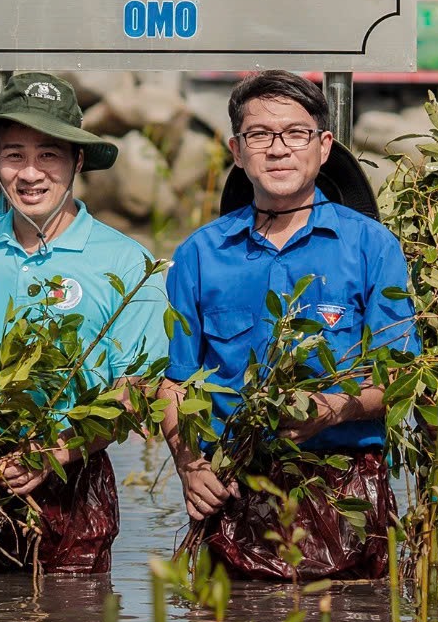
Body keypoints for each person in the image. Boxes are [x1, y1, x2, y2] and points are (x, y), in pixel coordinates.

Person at [162, 70, 414, 582]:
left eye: (295, 133)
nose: (278, 149)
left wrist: (329, 410)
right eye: (260, 135)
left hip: (343, 488)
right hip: (232, 486)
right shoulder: (199, 254)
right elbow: (173, 382)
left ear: (323, 147)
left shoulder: (372, 247)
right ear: (237, 150)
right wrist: (190, 466)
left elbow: (403, 378)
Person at [0, 72, 169, 572]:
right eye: (14, 155)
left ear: (78, 160)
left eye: (48, 155)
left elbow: (139, 388)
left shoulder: (128, 262)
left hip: (75, 479)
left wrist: (57, 451)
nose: (30, 173)